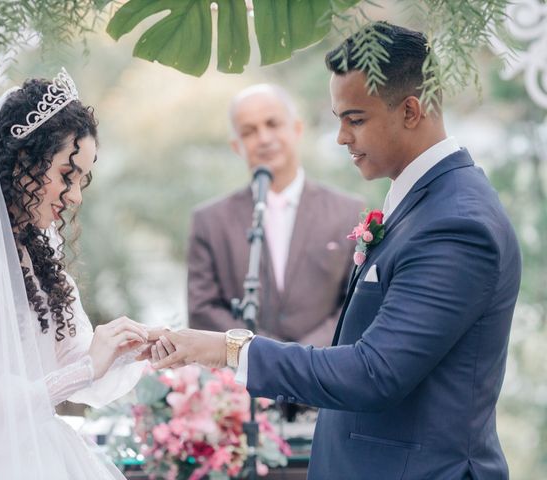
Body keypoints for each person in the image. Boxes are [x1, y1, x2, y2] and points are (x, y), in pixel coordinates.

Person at [146, 22, 522, 479]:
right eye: (338, 119)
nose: (342, 137)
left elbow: (374, 372)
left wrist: (228, 349)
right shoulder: (424, 203)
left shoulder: (457, 223)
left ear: (410, 111)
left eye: (355, 119)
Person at [0, 69, 158, 479]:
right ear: (23, 161)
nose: (75, 196)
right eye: (66, 175)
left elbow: (71, 358)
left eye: (82, 180)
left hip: (43, 454)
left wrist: (130, 346)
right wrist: (86, 369)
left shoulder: (38, 251)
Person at [188, 84, 362, 347]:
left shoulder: (348, 211)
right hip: (242, 381)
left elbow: (356, 303)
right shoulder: (209, 221)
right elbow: (202, 311)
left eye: (273, 124)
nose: (264, 138)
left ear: (297, 129)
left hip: (324, 375)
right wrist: (263, 355)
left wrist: (300, 359)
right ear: (237, 146)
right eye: (249, 131)